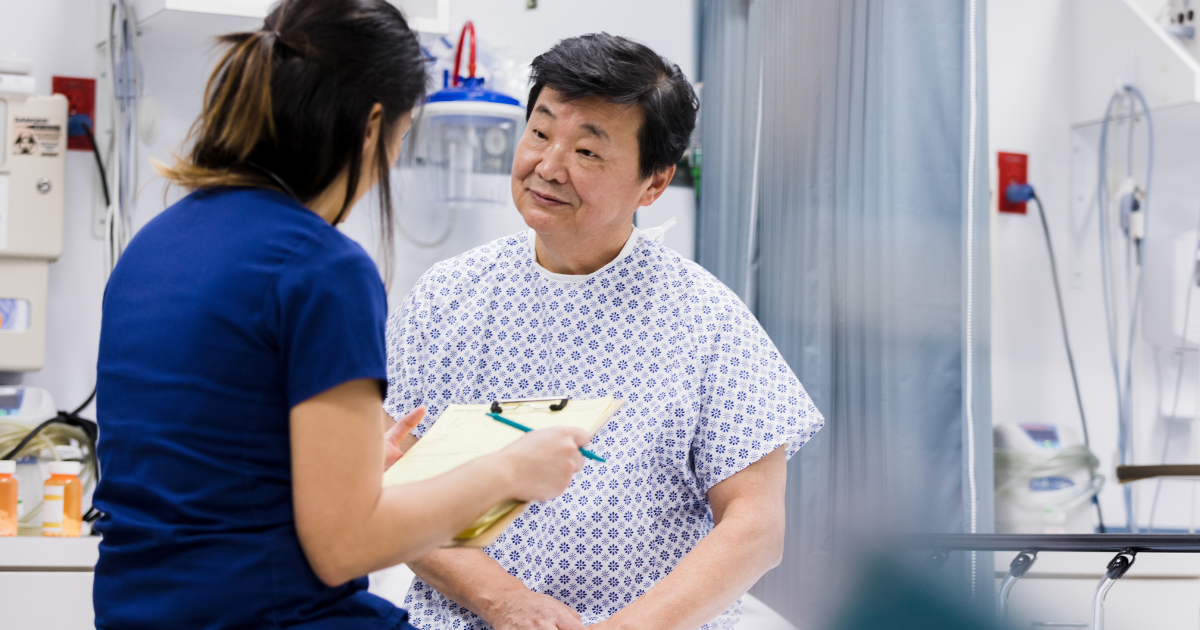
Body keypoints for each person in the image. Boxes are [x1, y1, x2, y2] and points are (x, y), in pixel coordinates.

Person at [92, 2, 591, 628]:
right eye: (402, 140)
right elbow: (344, 547)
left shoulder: (155, 244)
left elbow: (209, 459)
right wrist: (508, 470)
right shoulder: (320, 265)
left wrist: (344, 459)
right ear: (372, 123)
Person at [385, 33, 825, 630]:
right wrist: (506, 603)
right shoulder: (446, 298)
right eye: (540, 133)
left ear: (654, 182)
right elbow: (390, 481)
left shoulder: (704, 320)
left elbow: (756, 525)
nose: (547, 166)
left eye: (588, 152)